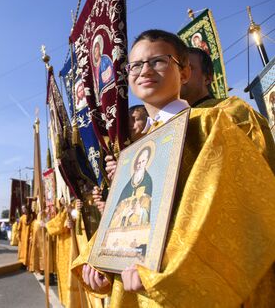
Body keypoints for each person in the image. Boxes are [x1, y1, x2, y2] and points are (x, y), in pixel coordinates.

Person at [73, 29, 275, 307]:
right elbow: (126, 214)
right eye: (136, 65)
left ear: (184, 72)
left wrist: (169, 274)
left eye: (158, 61)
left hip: (187, 286)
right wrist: (100, 261)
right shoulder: (135, 151)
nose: (145, 70)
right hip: (133, 287)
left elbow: (232, 208)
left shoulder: (213, 122)